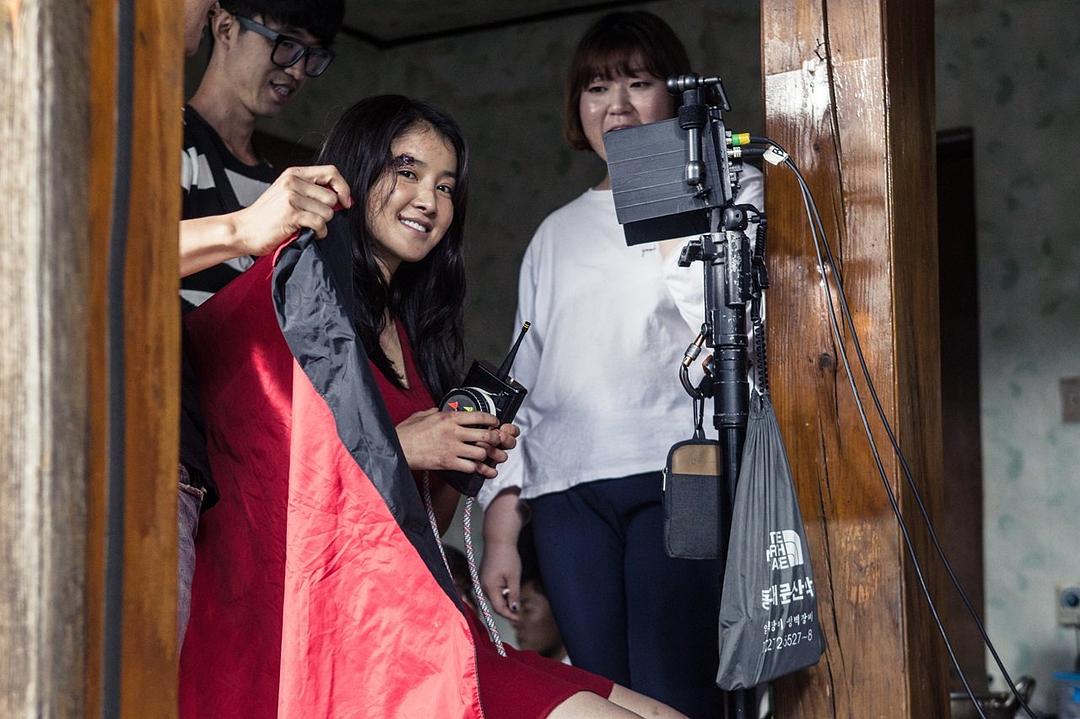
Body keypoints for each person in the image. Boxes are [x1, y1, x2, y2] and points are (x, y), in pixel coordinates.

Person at [179, 94, 686, 719]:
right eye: (407, 172)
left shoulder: (409, 334)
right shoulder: (286, 291)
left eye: (446, 187)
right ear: (354, 173)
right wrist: (402, 446)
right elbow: (263, 491)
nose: (429, 200)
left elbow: (418, 518)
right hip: (337, 635)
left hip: (413, 613)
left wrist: (457, 461)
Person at [479, 11, 765, 718]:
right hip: (568, 494)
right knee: (597, 693)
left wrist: (669, 196)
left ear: (676, 93)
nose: (618, 105)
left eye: (639, 83)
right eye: (598, 87)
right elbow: (526, 387)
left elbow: (737, 333)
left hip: (678, 474)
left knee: (678, 689)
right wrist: (502, 531)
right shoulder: (554, 234)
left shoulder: (730, 190)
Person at [175, 0, 349, 645]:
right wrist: (244, 230)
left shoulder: (284, 183)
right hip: (172, 443)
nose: (297, 69)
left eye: (314, 55)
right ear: (222, 26)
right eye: (285, 44)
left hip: (248, 467)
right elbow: (107, 255)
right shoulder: (167, 138)